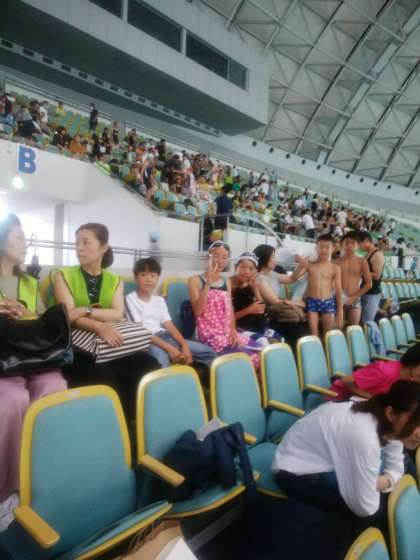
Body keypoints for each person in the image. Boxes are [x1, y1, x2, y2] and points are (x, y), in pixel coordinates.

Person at [272, 380, 420, 524]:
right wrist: (386, 482)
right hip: (295, 470)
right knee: (378, 516)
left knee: (391, 498)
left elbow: (396, 465)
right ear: (391, 413)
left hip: (318, 454)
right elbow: (366, 509)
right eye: (415, 423)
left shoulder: (385, 418)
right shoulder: (365, 437)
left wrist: (385, 481)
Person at [0, 214, 67, 531]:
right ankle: (6, 491)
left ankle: (40, 475)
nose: (25, 243)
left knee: (54, 389)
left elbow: (41, 325)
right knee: (12, 399)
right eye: (19, 237)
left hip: (31, 357)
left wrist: (26, 313)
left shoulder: (29, 282)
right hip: (3, 361)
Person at [53, 223, 158, 416]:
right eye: (77, 243)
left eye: (85, 242)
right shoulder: (63, 275)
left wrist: (84, 310)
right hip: (77, 344)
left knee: (149, 366)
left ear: (103, 247)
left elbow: (117, 314)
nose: (79, 248)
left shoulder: (114, 280)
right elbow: (69, 316)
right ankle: (116, 424)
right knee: (106, 378)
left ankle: (139, 420)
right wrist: (97, 325)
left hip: (109, 340)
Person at [125, 257, 216, 368]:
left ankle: (194, 372)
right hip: (148, 341)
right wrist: (170, 349)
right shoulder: (130, 299)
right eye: (143, 275)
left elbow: (169, 325)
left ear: (158, 278)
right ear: (136, 278)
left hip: (165, 336)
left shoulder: (159, 300)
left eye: (153, 276)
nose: (148, 279)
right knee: (162, 362)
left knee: (210, 353)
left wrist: (184, 345)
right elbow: (140, 332)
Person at [188, 241, 260, 367]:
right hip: (210, 335)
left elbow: (229, 310)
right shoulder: (194, 280)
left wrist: (232, 331)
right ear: (208, 257)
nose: (220, 260)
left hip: (227, 332)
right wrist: (208, 284)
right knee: (249, 360)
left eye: (224, 257)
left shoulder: (226, 282)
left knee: (263, 353)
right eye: (216, 255)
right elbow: (197, 312)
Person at [289, 234, 343, 336]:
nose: (324, 250)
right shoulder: (309, 265)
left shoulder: (335, 268)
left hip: (328, 302)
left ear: (332, 249)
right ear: (316, 248)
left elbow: (338, 290)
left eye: (327, 247)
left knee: (328, 334)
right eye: (320, 247)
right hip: (312, 301)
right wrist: (300, 266)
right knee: (313, 333)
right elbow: (293, 279)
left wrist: (340, 311)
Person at [331, 343, 420, 400]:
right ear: (414, 361)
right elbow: (347, 380)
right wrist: (373, 399)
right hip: (339, 399)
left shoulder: (410, 378)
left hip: (363, 404)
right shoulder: (385, 372)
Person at [335, 231, 372, 326]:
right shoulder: (335, 262)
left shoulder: (362, 262)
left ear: (357, 246)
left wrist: (353, 298)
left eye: (353, 243)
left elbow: (369, 284)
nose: (349, 246)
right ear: (342, 245)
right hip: (338, 299)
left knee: (353, 329)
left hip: (355, 299)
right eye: (346, 243)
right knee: (337, 329)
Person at [231, 252, 268, 334]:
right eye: (242, 267)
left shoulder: (250, 284)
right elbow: (223, 318)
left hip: (255, 328)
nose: (246, 272)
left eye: (251, 269)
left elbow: (263, 311)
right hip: (235, 329)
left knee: (280, 339)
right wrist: (248, 310)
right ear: (235, 267)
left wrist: (254, 288)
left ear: (255, 271)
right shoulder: (227, 285)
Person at [358, 232, 384, 324]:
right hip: (364, 291)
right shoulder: (367, 254)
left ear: (366, 241)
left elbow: (377, 276)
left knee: (367, 322)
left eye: (359, 243)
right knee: (361, 322)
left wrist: (361, 273)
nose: (359, 247)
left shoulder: (377, 255)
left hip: (372, 293)